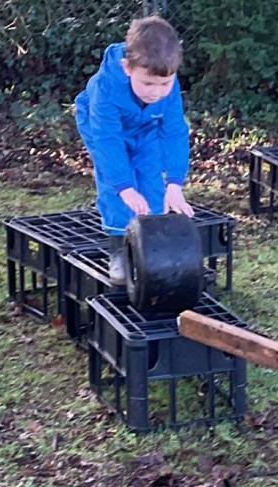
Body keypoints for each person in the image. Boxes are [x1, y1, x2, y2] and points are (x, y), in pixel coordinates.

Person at [74, 15, 195, 287]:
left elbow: (174, 132)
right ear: (127, 67)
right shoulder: (105, 90)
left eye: (165, 84)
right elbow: (108, 141)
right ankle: (118, 249)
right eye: (148, 84)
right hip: (103, 129)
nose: (157, 92)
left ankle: (149, 247)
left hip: (145, 127)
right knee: (117, 186)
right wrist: (124, 186)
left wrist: (175, 182)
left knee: (151, 179)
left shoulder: (168, 88)